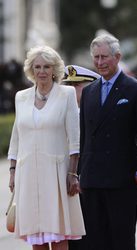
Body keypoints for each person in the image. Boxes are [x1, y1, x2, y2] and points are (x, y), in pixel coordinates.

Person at [8, 45, 85, 250]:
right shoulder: (21, 97)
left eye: (46, 66)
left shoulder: (66, 94)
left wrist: (73, 173)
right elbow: (17, 137)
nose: (42, 71)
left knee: (59, 235)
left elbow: (74, 138)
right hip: (28, 174)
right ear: (31, 70)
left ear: (54, 70)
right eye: (37, 67)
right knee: (36, 238)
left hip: (57, 175)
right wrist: (13, 171)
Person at [78, 33, 137, 250]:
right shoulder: (89, 91)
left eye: (104, 57)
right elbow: (84, 136)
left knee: (121, 238)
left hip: (122, 179)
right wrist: (80, 173)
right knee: (93, 239)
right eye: (96, 57)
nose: (100, 63)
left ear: (117, 56)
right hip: (91, 181)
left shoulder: (136, 89)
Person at [63, 64, 100, 250]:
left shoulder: (95, 114)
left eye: (77, 86)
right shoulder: (59, 114)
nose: (70, 91)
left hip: (89, 184)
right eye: (67, 86)